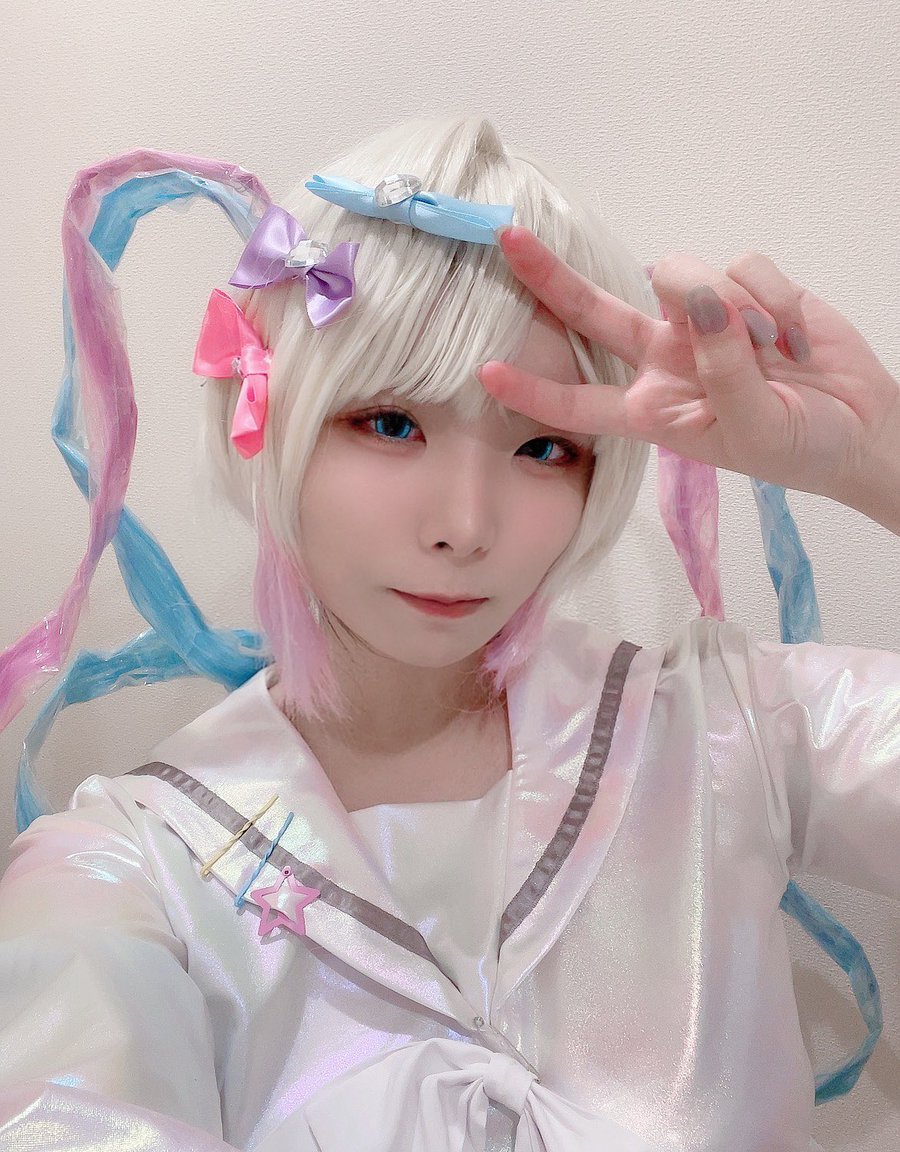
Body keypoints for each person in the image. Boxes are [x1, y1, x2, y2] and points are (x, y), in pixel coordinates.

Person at [0, 114, 897, 1151]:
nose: (465, 526)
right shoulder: (129, 872)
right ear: (265, 412)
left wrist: (876, 460)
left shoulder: (727, 732)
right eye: (390, 423)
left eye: (545, 447)